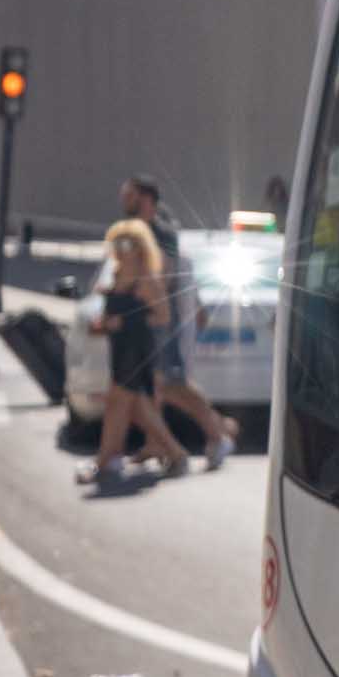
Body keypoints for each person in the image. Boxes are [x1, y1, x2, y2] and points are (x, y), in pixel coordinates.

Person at [89, 177, 211, 490]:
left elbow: (162, 307)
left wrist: (124, 321)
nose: (120, 250)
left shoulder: (151, 265)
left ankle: (116, 457)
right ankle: (137, 454)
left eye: (126, 245)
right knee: (135, 404)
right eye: (117, 244)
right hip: (123, 346)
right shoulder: (119, 272)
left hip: (139, 344)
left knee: (131, 399)